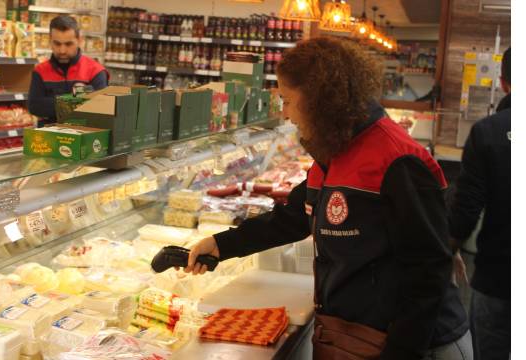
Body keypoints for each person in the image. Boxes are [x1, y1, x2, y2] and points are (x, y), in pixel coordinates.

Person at [179, 37, 472, 360]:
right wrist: (221, 245)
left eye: (288, 100)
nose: (286, 114)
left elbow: (429, 267)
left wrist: (400, 353)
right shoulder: (337, 151)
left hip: (416, 346)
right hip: (360, 337)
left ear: (320, 99)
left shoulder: (397, 160)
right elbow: (292, 217)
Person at [448, 47, 511, 360]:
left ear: (503, 82)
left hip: (498, 277)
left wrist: (448, 248)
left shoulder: (489, 132)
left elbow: (466, 207)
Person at [27, 15, 108, 124]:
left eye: (68, 44)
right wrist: (78, 99)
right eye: (57, 43)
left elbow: (100, 108)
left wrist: (54, 103)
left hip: (84, 137)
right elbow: (35, 106)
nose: (62, 50)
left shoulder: (96, 71)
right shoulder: (40, 71)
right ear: (50, 41)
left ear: (79, 40)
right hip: (48, 137)